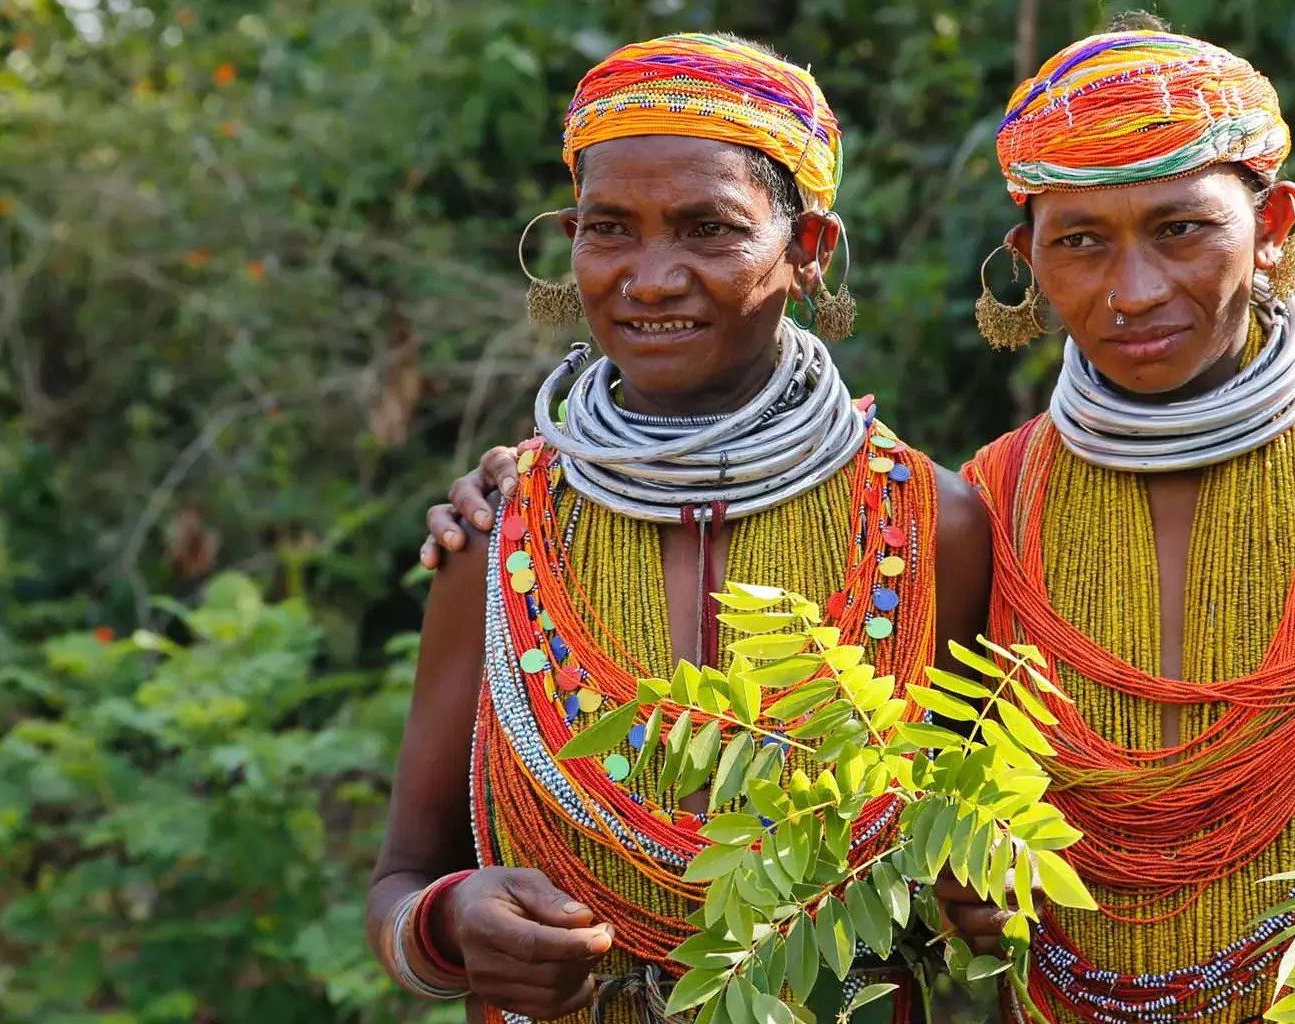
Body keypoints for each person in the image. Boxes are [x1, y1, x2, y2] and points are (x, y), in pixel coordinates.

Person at [426, 20, 1295, 1024]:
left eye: (1183, 227)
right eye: (1082, 240)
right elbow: (927, 836)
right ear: (1028, 260)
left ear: (1275, 223)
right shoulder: (984, 512)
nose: (1133, 290)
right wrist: (958, 893)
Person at [370, 32, 990, 1024]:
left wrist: (984, 897)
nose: (651, 278)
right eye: (612, 229)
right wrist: (452, 922)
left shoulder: (929, 528)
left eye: (708, 229)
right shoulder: (501, 533)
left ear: (809, 251)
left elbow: (978, 872)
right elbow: (402, 874)